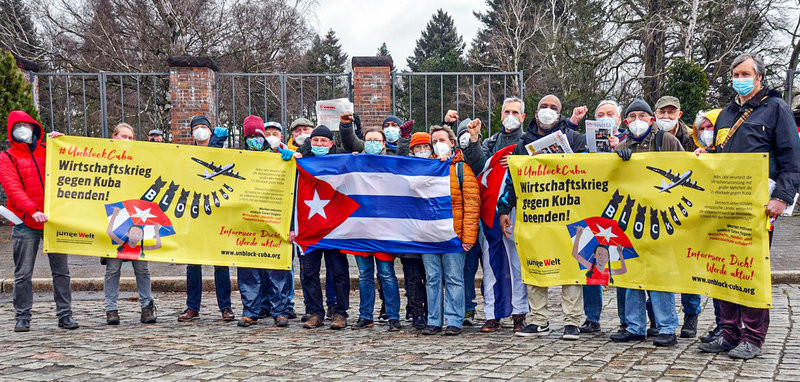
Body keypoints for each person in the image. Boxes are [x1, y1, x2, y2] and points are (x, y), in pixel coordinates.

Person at [697, 53, 800, 359]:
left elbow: (791, 158)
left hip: (760, 205)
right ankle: (729, 332)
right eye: (735, 73)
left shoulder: (777, 109)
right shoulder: (726, 113)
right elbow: (722, 153)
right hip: (725, 203)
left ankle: (753, 337)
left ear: (758, 77)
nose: (739, 78)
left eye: (744, 73)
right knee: (724, 268)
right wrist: (706, 155)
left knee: (751, 268)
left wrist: (782, 197)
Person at [497, 94, 588, 340]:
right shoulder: (522, 144)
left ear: (560, 114)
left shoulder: (575, 139)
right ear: (536, 114)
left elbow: (590, 175)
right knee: (535, 264)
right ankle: (539, 320)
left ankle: (572, 322)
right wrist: (504, 209)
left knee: (571, 264)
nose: (548, 111)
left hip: (568, 213)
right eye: (543, 107)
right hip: (535, 215)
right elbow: (513, 181)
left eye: (553, 108)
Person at [610, 96, 685, 347]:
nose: (637, 120)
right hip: (630, 218)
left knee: (659, 274)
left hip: (660, 217)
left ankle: (666, 327)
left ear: (651, 119)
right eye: (632, 117)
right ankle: (634, 326)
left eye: (642, 116)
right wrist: (615, 158)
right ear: (625, 121)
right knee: (631, 272)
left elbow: (686, 172)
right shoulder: (622, 143)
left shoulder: (666, 140)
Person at [1, 110, 79, 332]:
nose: (23, 130)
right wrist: (32, 210)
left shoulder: (49, 150)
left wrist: (64, 144)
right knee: (23, 273)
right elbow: (12, 188)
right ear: (11, 132)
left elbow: (76, 168)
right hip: (26, 222)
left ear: (35, 127)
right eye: (18, 127)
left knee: (62, 271)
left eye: (26, 125)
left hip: (54, 221)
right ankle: (22, 316)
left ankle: (65, 315)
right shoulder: (7, 158)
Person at [457, 98, 530, 333]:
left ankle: (520, 313)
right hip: (491, 213)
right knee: (491, 264)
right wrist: (475, 139)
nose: (510, 115)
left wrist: (522, 162)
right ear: (500, 115)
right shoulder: (491, 142)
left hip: (520, 210)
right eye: (506, 111)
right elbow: (478, 165)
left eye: (515, 112)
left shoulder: (529, 142)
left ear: (522, 117)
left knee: (518, 264)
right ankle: (492, 313)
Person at [341, 123, 403, 332]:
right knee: (365, 274)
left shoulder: (392, 163)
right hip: (361, 227)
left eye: (377, 140)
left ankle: (393, 317)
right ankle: (365, 315)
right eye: (369, 140)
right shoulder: (357, 162)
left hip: (384, 228)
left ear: (384, 143)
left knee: (386, 273)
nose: (373, 144)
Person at [235, 116, 295, 328]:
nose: (254, 140)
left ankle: (280, 311)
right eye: (249, 136)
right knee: (248, 269)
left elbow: (291, 191)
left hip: (273, 219)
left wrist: (289, 158)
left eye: (257, 136)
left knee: (276, 267)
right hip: (245, 223)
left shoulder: (277, 158)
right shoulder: (238, 158)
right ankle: (250, 310)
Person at [420, 125, 480, 336]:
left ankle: (454, 319)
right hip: (428, 236)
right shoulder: (424, 167)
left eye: (442, 140)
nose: (438, 144)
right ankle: (434, 320)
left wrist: (469, 237)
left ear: (452, 143)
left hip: (454, 235)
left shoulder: (462, 169)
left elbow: (472, 205)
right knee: (432, 279)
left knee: (455, 278)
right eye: (434, 141)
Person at [178, 115, 235, 322]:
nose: (200, 130)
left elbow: (224, 165)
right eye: (197, 128)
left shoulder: (220, 150)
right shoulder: (185, 154)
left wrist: (218, 143)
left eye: (204, 127)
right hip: (194, 214)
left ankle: (225, 307)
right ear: (192, 133)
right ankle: (192, 307)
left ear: (211, 131)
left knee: (221, 263)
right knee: (193, 264)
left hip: (217, 213)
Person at [297, 125, 352, 330]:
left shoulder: (341, 161)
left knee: (338, 270)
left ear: (331, 143)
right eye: (316, 141)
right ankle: (315, 312)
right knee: (309, 271)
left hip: (334, 225)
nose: (319, 144)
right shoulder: (301, 161)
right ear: (310, 143)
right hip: (308, 225)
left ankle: (339, 312)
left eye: (323, 141)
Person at [102, 123, 157, 325]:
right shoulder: (103, 156)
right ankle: (111, 309)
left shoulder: (140, 158)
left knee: (142, 268)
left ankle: (147, 307)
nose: (127, 140)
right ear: (114, 137)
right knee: (112, 269)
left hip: (136, 219)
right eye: (123, 136)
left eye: (131, 137)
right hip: (115, 216)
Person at [581, 100, 628, 334]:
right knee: (592, 263)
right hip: (593, 208)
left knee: (621, 263)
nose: (606, 117)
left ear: (619, 120)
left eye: (610, 114)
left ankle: (626, 318)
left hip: (620, 210)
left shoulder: (630, 140)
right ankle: (592, 317)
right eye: (601, 114)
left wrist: (619, 148)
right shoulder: (585, 141)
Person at [398, 132, 434, 330]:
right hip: (409, 234)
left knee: (430, 277)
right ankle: (416, 313)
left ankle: (432, 312)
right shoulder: (405, 167)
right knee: (412, 279)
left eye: (425, 147)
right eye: (417, 148)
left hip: (430, 233)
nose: (422, 151)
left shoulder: (438, 165)